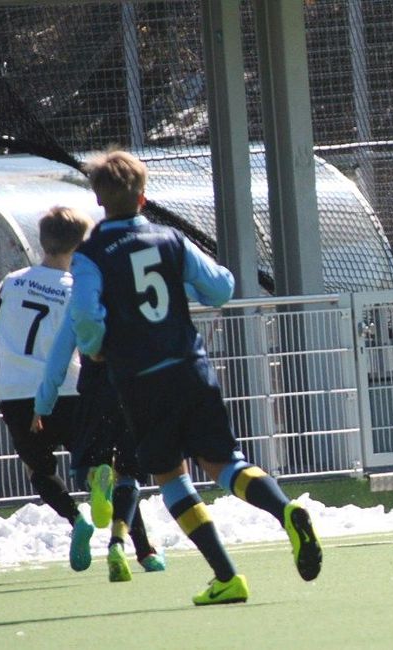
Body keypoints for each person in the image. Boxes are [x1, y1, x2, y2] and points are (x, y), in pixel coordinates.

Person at [68, 149, 322, 606]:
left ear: (99, 201)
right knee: (224, 461)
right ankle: (285, 510)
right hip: (192, 367)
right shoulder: (172, 240)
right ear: (143, 198)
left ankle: (226, 576)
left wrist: (95, 346)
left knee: (169, 475)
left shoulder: (90, 255)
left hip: (141, 379)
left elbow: (85, 315)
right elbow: (221, 288)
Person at [0, 206, 97, 571]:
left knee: (40, 471)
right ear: (79, 247)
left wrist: (13, 371)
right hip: (69, 390)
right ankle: (140, 546)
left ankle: (77, 519)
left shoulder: (11, 282)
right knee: (97, 465)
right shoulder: (75, 289)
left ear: (42, 241)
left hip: (16, 392)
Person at [33, 320, 167, 583]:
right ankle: (119, 544)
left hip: (93, 394)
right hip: (132, 393)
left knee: (91, 465)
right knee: (128, 475)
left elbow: (58, 361)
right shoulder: (131, 296)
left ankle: (97, 481)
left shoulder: (83, 303)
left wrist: (43, 403)